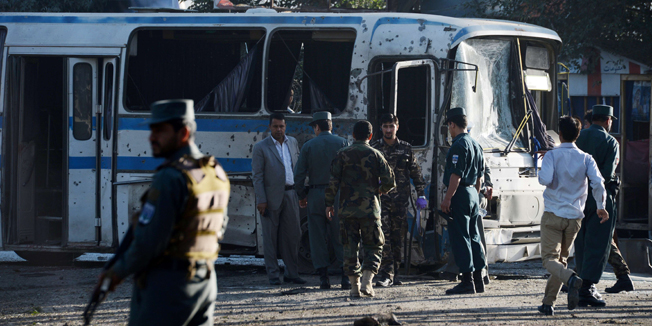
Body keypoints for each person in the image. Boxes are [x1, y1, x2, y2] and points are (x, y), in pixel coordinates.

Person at [96, 99, 231, 325]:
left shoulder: (170, 177)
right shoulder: (214, 171)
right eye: (152, 130)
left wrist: (115, 273)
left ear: (184, 133)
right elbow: (220, 226)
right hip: (205, 283)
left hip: (169, 287)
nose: (152, 137)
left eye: (160, 131)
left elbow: (149, 242)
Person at [536, 116, 608, 316]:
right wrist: (601, 206)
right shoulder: (586, 158)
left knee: (549, 260)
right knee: (562, 260)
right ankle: (548, 303)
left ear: (559, 134)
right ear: (578, 135)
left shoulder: (551, 155)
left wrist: (541, 165)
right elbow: (598, 183)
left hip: (553, 214)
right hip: (575, 217)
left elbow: (545, 179)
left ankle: (571, 279)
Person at [325, 120, 395, 297]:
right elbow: (390, 181)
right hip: (370, 210)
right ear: (370, 136)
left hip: (347, 211)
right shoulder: (376, 154)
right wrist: (379, 190)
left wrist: (328, 204)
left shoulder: (342, 154)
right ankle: (367, 281)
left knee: (349, 248)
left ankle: (354, 288)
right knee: (374, 245)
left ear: (353, 135)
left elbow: (333, 182)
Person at [294, 111, 350, 290]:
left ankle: (324, 279)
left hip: (316, 195)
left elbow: (299, 175)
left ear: (317, 127)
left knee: (317, 237)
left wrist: (302, 195)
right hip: (337, 195)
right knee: (340, 236)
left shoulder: (308, 146)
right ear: (330, 126)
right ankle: (345, 278)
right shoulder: (342, 143)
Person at [371, 113, 427, 288]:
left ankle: (394, 273)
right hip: (381, 200)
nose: (388, 130)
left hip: (400, 201)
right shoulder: (374, 148)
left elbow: (416, 173)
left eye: (391, 126)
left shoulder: (406, 149)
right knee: (384, 236)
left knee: (398, 238)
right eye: (385, 126)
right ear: (381, 128)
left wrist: (421, 194)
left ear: (397, 127)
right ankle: (385, 273)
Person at [252, 112, 306, 285]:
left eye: (281, 126)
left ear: (285, 126)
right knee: (270, 238)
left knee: (293, 236)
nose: (279, 129)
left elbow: (295, 168)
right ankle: (274, 275)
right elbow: (257, 176)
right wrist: (261, 199)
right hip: (270, 197)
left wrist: (300, 192)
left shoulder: (293, 142)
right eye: (275, 126)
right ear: (270, 127)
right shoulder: (261, 147)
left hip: (291, 194)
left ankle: (292, 273)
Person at [574, 104, 620, 307]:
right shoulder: (611, 141)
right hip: (600, 196)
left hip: (577, 196)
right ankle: (587, 288)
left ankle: (580, 282)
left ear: (592, 118)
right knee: (599, 243)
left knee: (581, 241)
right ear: (608, 120)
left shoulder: (578, 137)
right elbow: (608, 173)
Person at [440, 107, 487, 295]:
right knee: (474, 237)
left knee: (461, 237)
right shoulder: (476, 144)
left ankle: (467, 281)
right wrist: (474, 196)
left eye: (449, 126)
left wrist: (447, 198)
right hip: (473, 194)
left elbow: (456, 175)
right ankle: (479, 279)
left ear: (452, 124)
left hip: (460, 194)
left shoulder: (459, 145)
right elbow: (480, 178)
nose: (449, 130)